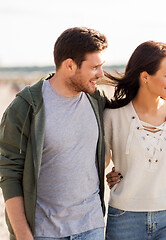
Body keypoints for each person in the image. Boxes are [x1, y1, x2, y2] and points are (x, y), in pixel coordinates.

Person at [0, 27, 108, 240]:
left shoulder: (97, 99)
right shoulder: (26, 107)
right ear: (69, 65)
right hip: (44, 232)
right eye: (95, 67)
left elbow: (132, 118)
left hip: (92, 227)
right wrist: (23, 235)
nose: (101, 74)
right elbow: (9, 173)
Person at [103, 41, 166, 240]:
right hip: (125, 217)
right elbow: (98, 163)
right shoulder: (112, 116)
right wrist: (111, 175)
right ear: (145, 77)